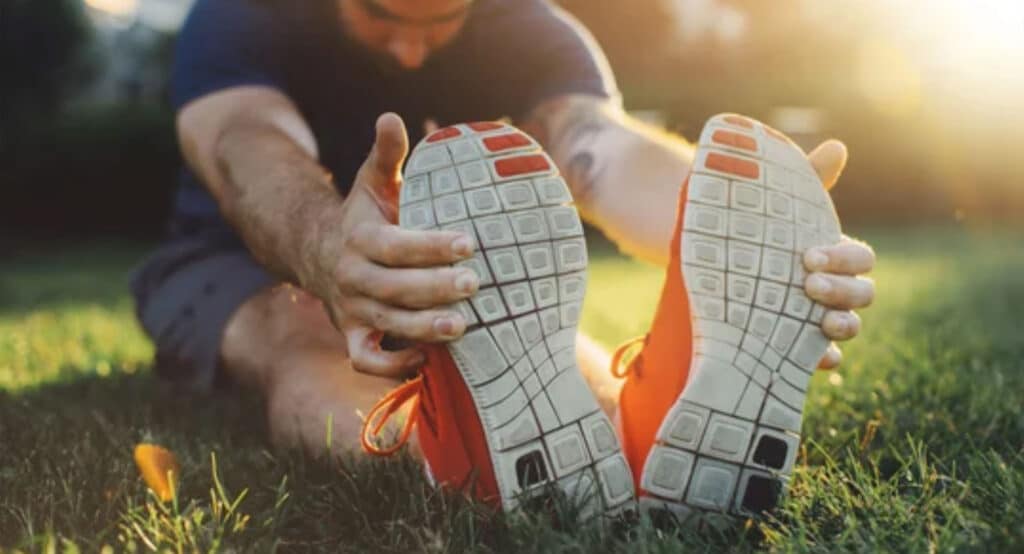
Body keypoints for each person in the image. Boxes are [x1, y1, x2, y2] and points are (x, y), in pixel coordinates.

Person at [131, 0, 875, 515]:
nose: (412, 50)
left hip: (456, 264)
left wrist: (733, 218)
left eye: (443, 17)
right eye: (381, 16)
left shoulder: (528, 26)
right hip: (233, 261)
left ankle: (639, 444)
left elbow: (596, 147)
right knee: (311, 338)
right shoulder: (241, 15)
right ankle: (443, 461)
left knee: (550, 363)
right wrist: (330, 251)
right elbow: (241, 142)